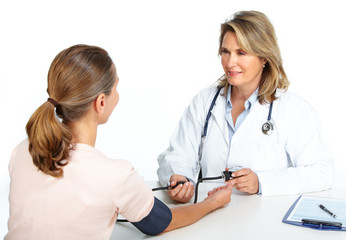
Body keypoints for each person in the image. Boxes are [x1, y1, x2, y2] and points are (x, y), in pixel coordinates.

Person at [5, 44, 233, 240]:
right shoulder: (115, 175)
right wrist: (212, 203)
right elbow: (161, 223)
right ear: (101, 102)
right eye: (116, 88)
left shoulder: (23, 150)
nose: (118, 96)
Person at [157, 10, 334, 203]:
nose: (230, 62)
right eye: (226, 52)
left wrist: (262, 182)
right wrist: (179, 178)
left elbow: (321, 172)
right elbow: (177, 155)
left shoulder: (294, 109)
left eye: (241, 53)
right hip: (210, 216)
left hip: (265, 220)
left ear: (264, 57)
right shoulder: (204, 102)